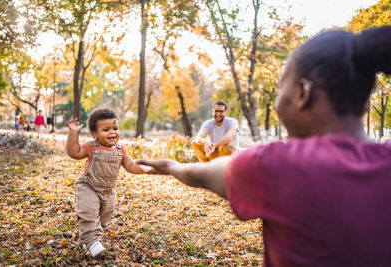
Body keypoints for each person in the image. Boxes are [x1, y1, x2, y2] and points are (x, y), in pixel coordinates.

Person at [137, 26, 391, 266]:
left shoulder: (279, 166)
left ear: (303, 93)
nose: (277, 105)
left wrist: (171, 166)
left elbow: (201, 175)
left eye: (281, 88)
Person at [66, 108, 151, 257]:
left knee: (102, 220)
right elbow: (74, 152)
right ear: (95, 134)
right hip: (89, 187)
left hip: (108, 192)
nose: (112, 132)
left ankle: (88, 240)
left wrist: (144, 168)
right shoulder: (91, 147)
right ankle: (92, 242)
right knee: (88, 214)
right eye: (106, 129)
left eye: (115, 128)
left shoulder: (120, 150)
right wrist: (74, 133)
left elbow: (130, 165)